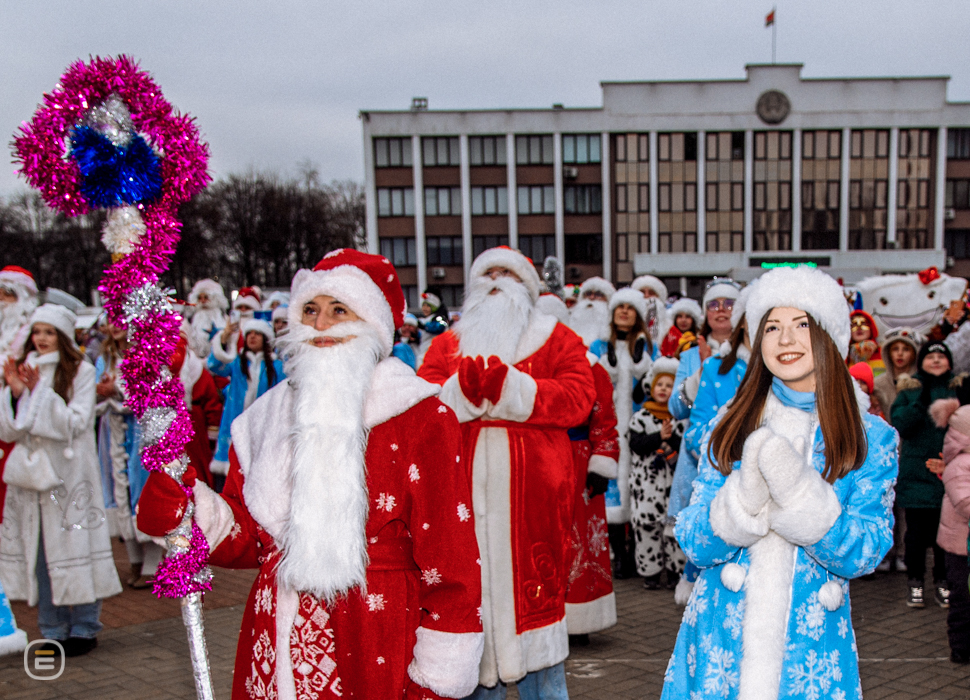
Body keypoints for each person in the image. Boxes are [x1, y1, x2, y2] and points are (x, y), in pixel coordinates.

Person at [138, 249, 484, 699]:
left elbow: (451, 557)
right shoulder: (266, 417)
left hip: (375, 634)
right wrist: (190, 511)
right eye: (310, 310)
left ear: (372, 323)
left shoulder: (419, 415)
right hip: (273, 634)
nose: (321, 325)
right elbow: (250, 538)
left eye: (339, 310)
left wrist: (439, 675)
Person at [661, 266, 898, 700]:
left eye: (801, 324)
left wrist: (801, 501)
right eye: (771, 327)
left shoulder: (871, 438)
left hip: (809, 660)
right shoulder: (728, 424)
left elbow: (867, 550)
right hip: (719, 652)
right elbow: (692, 537)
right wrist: (742, 503)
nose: (785, 340)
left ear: (829, 335)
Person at [419, 246, 595, 699]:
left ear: (528, 287)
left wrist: (515, 389)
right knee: (470, 618)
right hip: (459, 498)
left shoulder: (555, 337)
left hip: (534, 504)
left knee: (539, 631)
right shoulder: (447, 344)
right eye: (488, 273)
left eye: (507, 273)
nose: (496, 281)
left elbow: (580, 396)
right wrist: (461, 391)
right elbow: (421, 400)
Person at [0, 304, 122, 656]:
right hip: (31, 482)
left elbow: (76, 422)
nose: (41, 339)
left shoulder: (81, 371)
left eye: (49, 332)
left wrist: (39, 393)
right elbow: (10, 430)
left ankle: (85, 627)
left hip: (69, 480)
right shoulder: (25, 371)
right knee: (38, 554)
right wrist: (16, 392)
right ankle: (52, 629)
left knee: (75, 546)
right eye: (37, 331)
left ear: (63, 338)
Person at [537, 292, 619, 646]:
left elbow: (605, 419)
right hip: (536, 457)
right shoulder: (522, 363)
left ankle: (579, 618)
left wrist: (601, 461)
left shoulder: (588, 364)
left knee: (581, 537)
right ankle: (540, 613)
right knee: (540, 537)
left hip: (578, 458)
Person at [590, 288, 656, 580]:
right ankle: (618, 555)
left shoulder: (646, 347)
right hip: (609, 427)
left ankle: (636, 554)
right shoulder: (599, 345)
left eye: (631, 307)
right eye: (620, 307)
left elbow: (656, 384)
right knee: (613, 493)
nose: (625, 311)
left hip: (638, 431)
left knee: (638, 490)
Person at [891, 341, 956, 608]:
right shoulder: (909, 389)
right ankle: (915, 580)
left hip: (952, 473)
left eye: (942, 356)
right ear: (922, 362)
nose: (937, 360)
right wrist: (920, 400)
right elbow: (901, 424)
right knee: (916, 534)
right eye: (932, 356)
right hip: (917, 472)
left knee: (946, 534)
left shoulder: (959, 388)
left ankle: (943, 582)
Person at [627, 357, 685, 589]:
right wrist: (658, 437)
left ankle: (675, 571)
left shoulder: (679, 419)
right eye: (659, 385)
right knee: (647, 530)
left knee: (673, 531)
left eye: (668, 385)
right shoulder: (640, 417)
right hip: (646, 487)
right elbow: (636, 444)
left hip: (672, 485)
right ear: (652, 388)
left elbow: (684, 446)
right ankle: (650, 572)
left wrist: (670, 436)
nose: (663, 389)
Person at [208, 318, 285, 485]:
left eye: (257, 334)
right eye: (249, 333)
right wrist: (224, 337)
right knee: (232, 472)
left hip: (264, 426)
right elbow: (214, 365)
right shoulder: (237, 364)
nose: (252, 337)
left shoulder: (277, 366)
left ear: (265, 339)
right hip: (234, 423)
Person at [872, 327, 921, 573]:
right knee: (884, 502)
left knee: (905, 505)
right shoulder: (879, 384)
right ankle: (885, 553)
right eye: (895, 349)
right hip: (884, 451)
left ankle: (902, 551)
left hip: (911, 450)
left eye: (906, 349)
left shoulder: (920, 383)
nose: (900, 354)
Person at [928, 398, 970, 664]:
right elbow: (965, 502)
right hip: (960, 547)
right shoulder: (960, 465)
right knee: (963, 599)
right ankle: (961, 647)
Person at [187, 278, 228, 359]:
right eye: (200, 298)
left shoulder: (221, 317)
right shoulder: (194, 318)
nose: (203, 301)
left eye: (206, 297)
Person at [568, 277, 615, 348]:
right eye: (588, 294)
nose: (592, 298)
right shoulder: (570, 319)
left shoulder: (614, 323)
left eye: (598, 294)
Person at [417, 291, 450, 363]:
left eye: (428, 306)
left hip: (436, 349)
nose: (425, 308)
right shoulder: (423, 319)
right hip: (424, 349)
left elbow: (439, 328)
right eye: (423, 306)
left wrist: (424, 326)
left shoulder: (441, 318)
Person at [847, 309, 884, 374]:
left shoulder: (883, 352)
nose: (859, 327)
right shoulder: (844, 356)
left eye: (863, 323)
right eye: (854, 324)